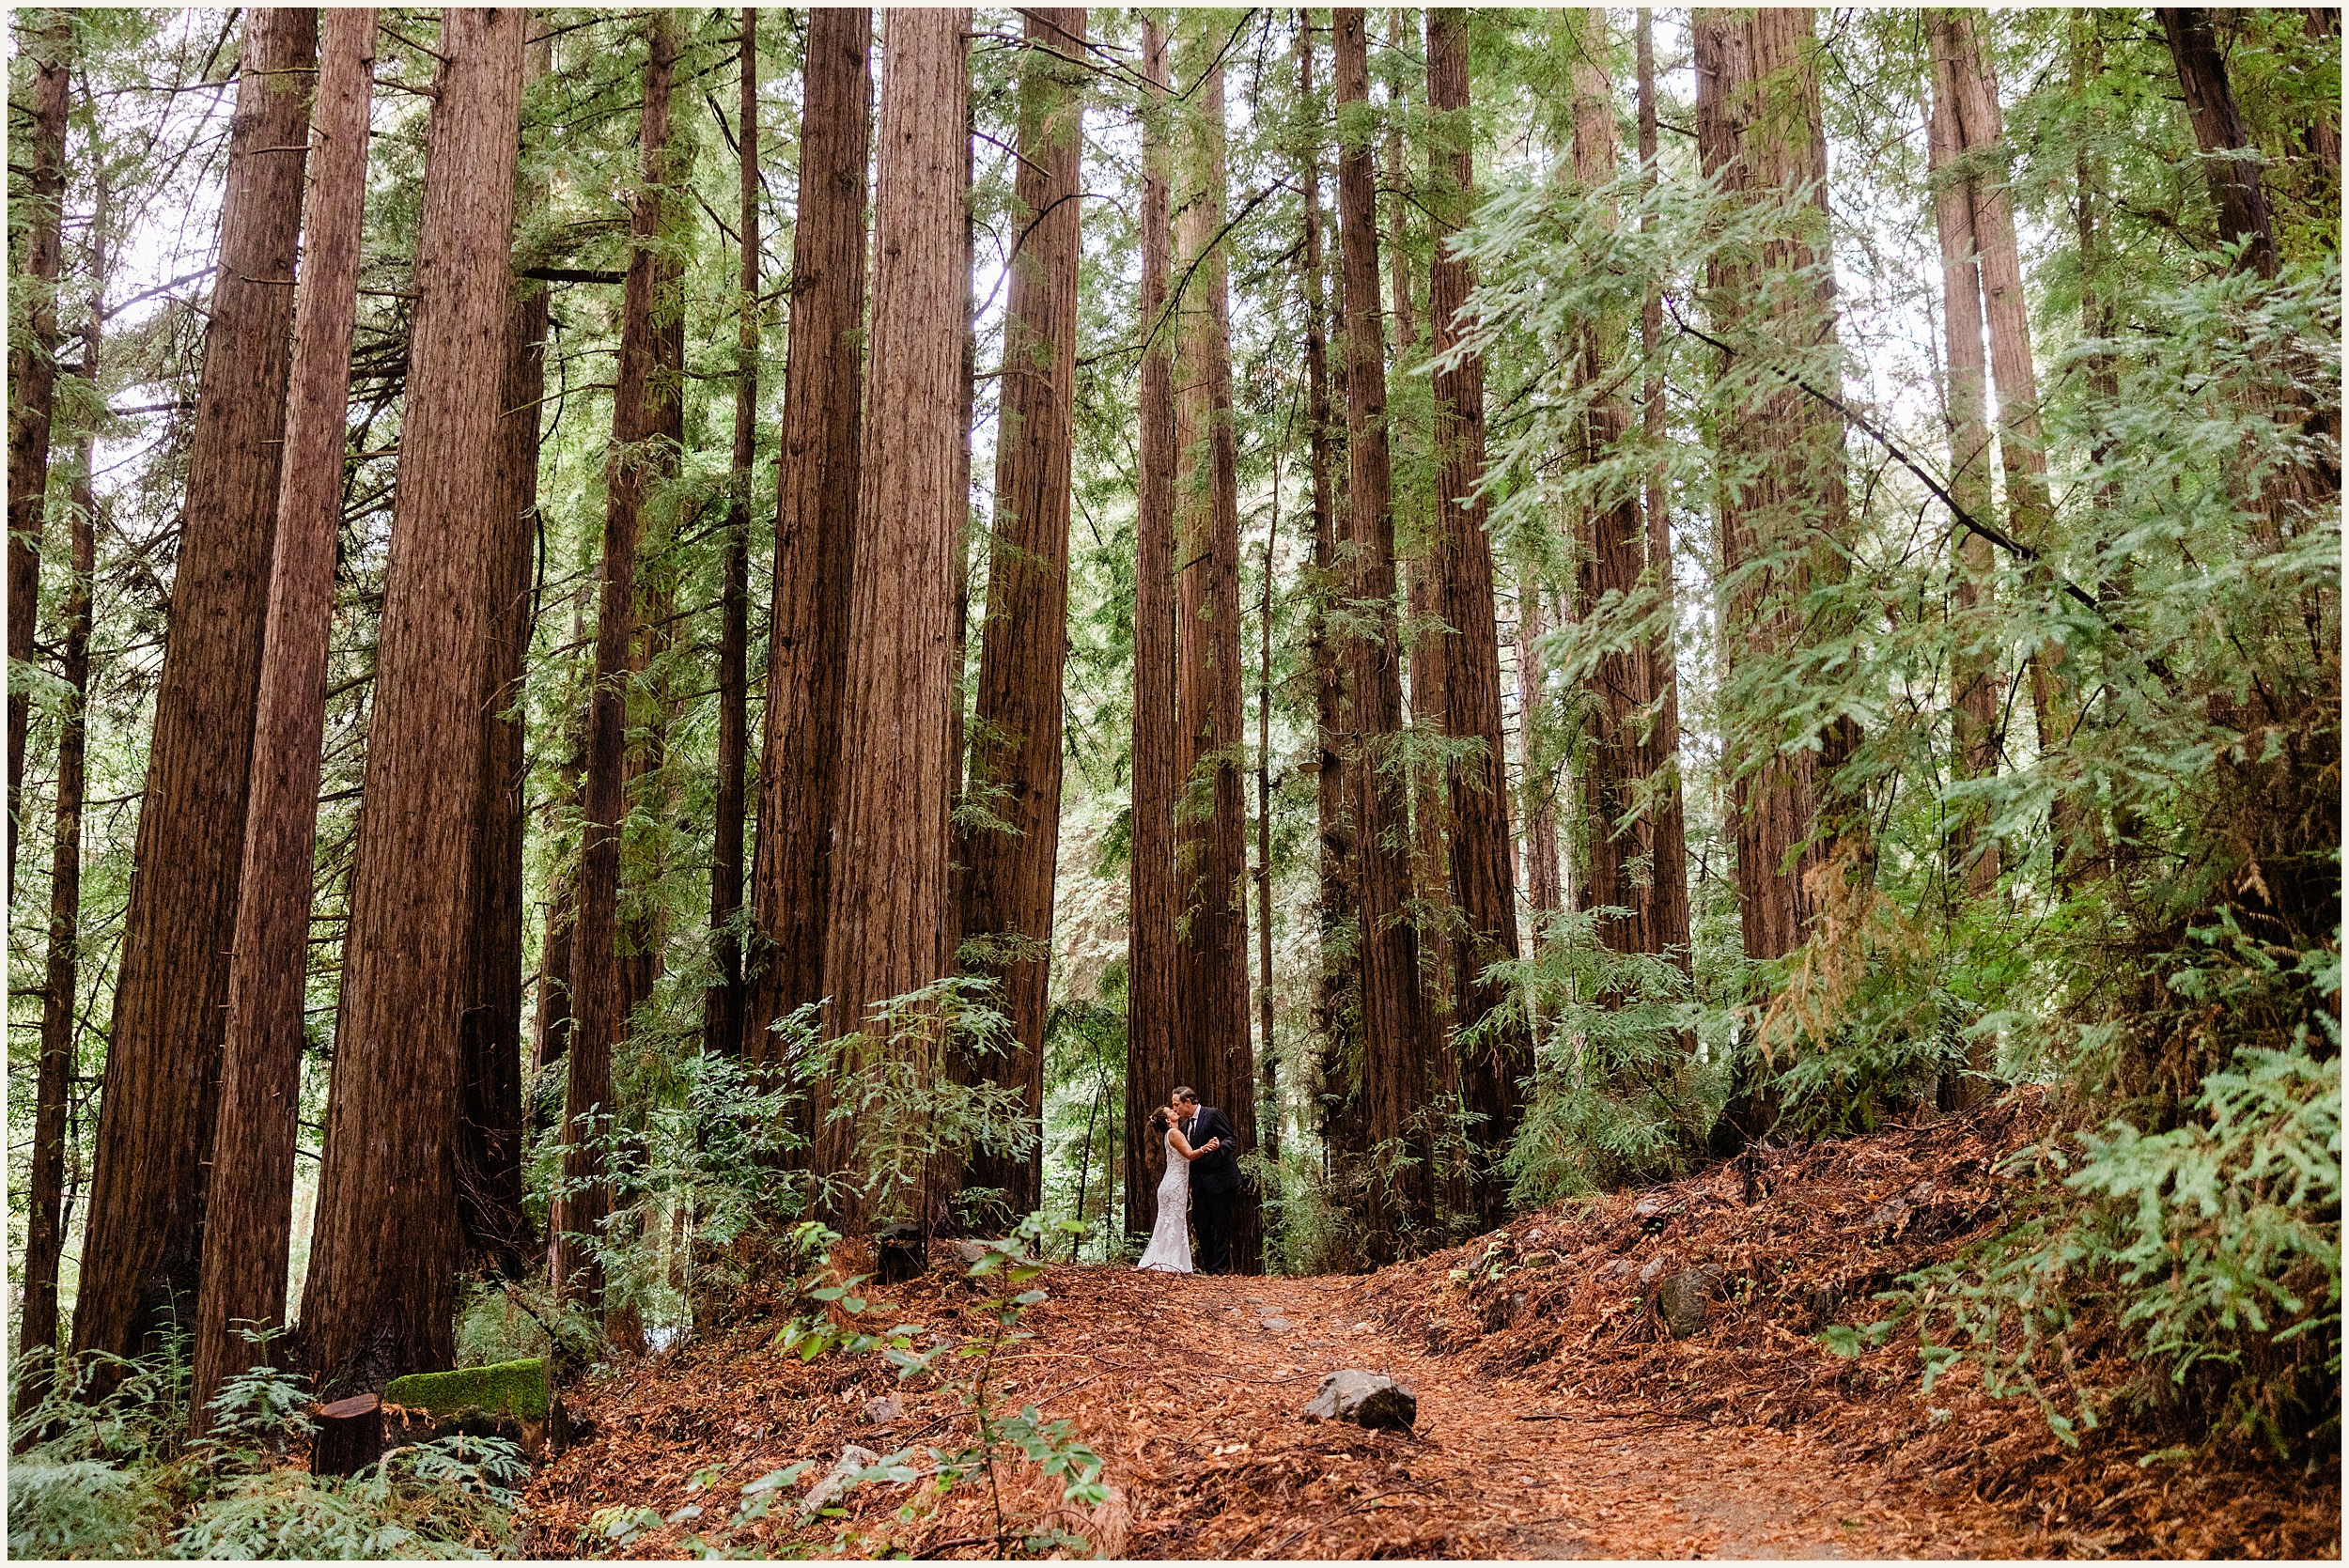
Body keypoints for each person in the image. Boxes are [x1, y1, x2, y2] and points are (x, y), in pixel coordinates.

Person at [1136, 1098, 1220, 1273]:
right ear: (1168, 1120)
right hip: (1174, 1186)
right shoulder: (1174, 1134)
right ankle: (1167, 1263)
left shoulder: (1172, 1134)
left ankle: (1165, 1261)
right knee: (1173, 1223)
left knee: (1170, 1223)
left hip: (1174, 1184)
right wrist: (1206, 1148)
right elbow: (1189, 1154)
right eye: (1171, 1111)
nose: (1175, 1111)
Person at [1175, 1087, 1242, 1274]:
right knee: (1202, 1225)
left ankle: (1220, 1270)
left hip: (1220, 1181)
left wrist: (1219, 1146)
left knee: (1221, 1225)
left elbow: (1231, 1139)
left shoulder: (1212, 1115)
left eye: (1177, 1104)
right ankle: (1209, 1267)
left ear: (1188, 1102)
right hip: (1199, 1184)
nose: (1175, 1109)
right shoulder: (1185, 1126)